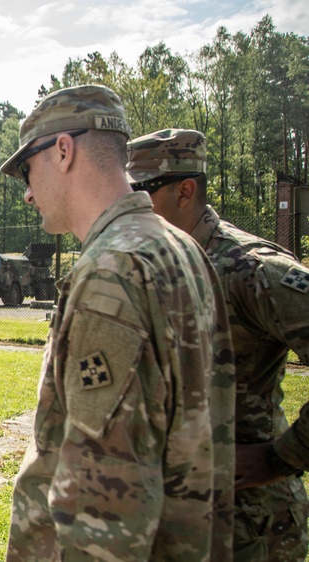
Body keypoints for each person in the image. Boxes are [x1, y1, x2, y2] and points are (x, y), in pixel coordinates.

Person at [0, 85, 235, 560]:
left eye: (28, 170)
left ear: (63, 151)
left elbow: (104, 503)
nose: (27, 193)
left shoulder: (111, 271)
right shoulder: (180, 246)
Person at [127, 128, 309, 561]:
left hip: (245, 523)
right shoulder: (153, 265)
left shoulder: (249, 268)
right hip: (171, 518)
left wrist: (278, 457)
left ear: (184, 191)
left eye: (139, 193)